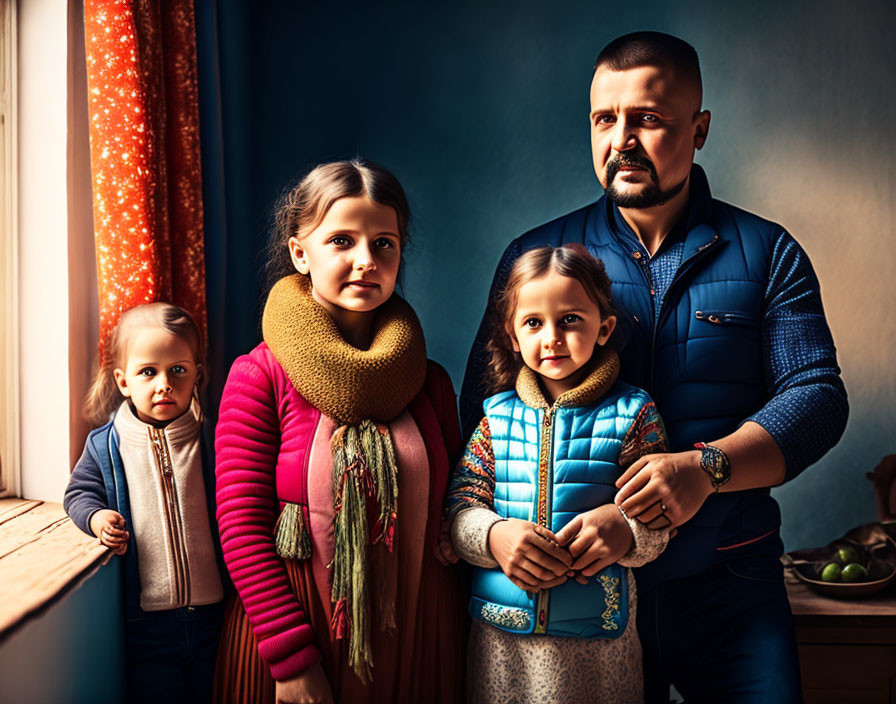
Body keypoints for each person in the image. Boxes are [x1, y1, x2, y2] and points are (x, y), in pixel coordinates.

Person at [461, 31, 848, 703]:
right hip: (574, 608)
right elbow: (479, 418)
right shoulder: (538, 256)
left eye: (648, 119)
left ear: (698, 129)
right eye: (604, 119)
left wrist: (706, 469)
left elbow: (816, 397)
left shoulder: (768, 251)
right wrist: (495, 536)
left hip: (730, 587)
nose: (622, 139)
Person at [213, 159, 465, 704]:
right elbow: (240, 528)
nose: (365, 261)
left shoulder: (430, 382)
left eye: (384, 244)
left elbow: (458, 502)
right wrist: (291, 662)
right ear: (300, 253)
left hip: (419, 641)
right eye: (342, 241)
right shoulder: (259, 375)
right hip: (296, 643)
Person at [446, 244, 670, 703]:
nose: (551, 337)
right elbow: (461, 505)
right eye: (533, 322)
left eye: (570, 319)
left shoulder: (634, 415)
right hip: (502, 644)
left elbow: (660, 519)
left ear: (603, 328)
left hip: (599, 646)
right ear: (512, 335)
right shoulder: (494, 419)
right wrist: (493, 536)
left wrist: (626, 532)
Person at [64, 303, 225, 704]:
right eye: (148, 372)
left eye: (178, 370)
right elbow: (78, 493)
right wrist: (97, 517)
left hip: (214, 616)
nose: (164, 384)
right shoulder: (106, 445)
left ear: (198, 376)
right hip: (147, 624)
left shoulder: (212, 439)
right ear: (123, 381)